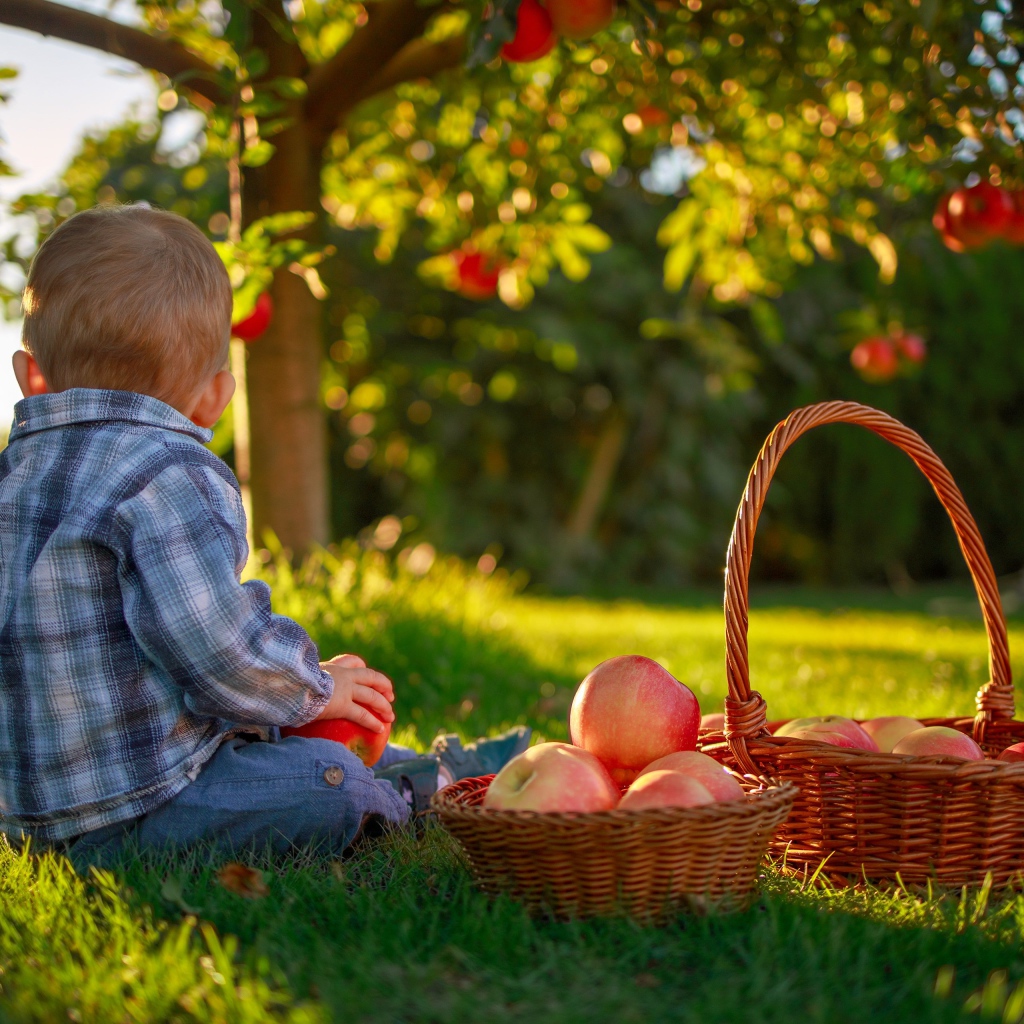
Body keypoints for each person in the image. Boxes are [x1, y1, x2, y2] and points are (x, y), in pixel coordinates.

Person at [0, 204, 529, 869]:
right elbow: (220, 655)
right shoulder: (167, 475)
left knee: (288, 737)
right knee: (322, 784)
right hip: (142, 810)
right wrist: (317, 687)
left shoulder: (13, 480)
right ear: (213, 399)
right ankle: (426, 793)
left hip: (26, 819)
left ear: (31, 377)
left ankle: (434, 768)